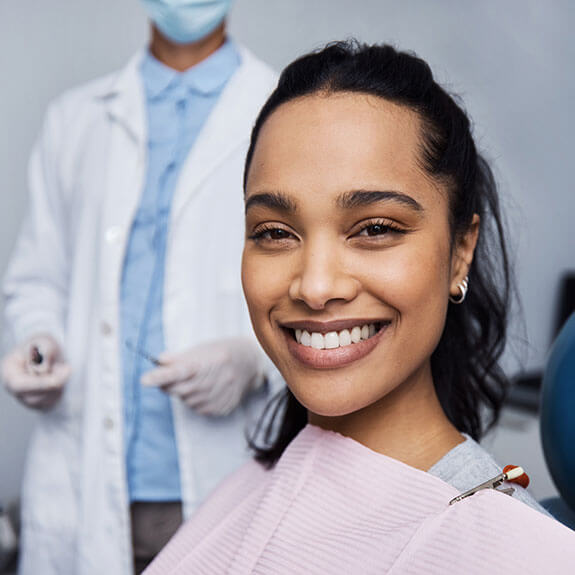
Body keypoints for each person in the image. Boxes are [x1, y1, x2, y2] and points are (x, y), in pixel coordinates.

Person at [145, 41, 575, 574]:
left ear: (461, 250)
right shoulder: (249, 485)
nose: (316, 286)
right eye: (275, 232)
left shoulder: (518, 554)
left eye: (375, 229)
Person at [1, 1, 280, 574]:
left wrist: (257, 361)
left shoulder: (283, 111)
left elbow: (317, 281)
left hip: (220, 478)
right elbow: (38, 276)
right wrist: (40, 340)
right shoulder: (75, 118)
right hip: (82, 480)